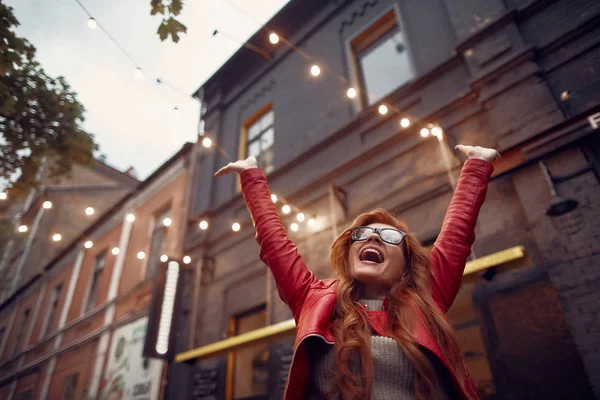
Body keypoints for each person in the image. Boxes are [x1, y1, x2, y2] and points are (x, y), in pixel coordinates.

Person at [215, 144, 499, 400]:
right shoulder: (315, 300)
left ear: (406, 263)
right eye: (363, 234)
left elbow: (457, 235)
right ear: (349, 252)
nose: (372, 238)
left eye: (389, 237)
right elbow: (274, 245)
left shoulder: (427, 295)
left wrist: (477, 164)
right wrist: (251, 176)